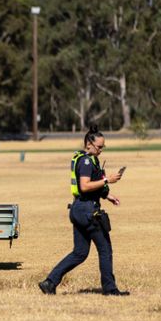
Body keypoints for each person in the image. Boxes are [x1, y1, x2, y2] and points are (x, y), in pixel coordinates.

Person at [39, 125, 130, 296]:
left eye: (103, 147)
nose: (101, 150)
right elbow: (85, 185)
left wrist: (108, 195)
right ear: (89, 144)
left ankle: (49, 282)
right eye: (99, 147)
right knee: (105, 249)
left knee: (80, 252)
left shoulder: (88, 158)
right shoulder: (87, 161)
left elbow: (89, 188)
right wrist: (107, 180)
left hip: (79, 209)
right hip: (87, 211)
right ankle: (110, 289)